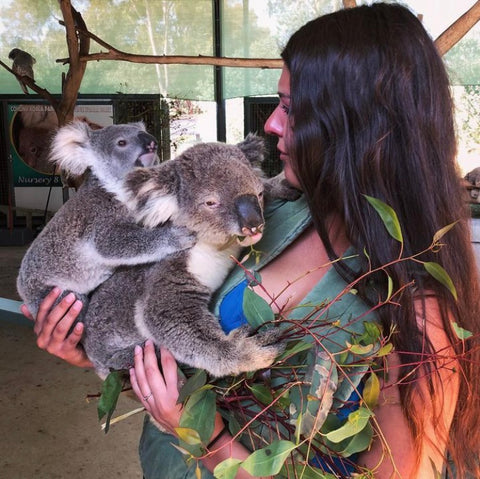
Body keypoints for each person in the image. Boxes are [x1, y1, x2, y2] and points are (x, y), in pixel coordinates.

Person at [24, 3, 480, 478]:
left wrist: (206, 437)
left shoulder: (418, 309)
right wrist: (92, 348)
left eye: (291, 109)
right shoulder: (273, 212)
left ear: (361, 127)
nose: (272, 125)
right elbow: (159, 318)